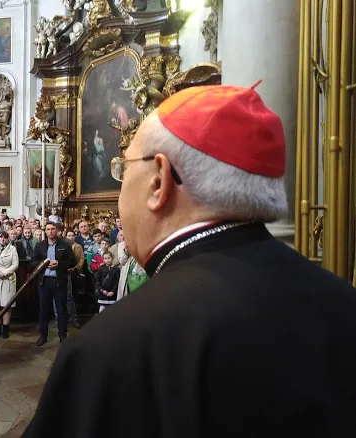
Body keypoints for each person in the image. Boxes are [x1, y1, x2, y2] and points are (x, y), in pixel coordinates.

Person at [24, 84, 356, 437]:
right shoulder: (345, 305)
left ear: (159, 182)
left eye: (123, 169)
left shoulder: (107, 351)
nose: (120, 187)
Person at [32, 223, 75, 346]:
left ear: (57, 231)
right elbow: (32, 262)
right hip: (44, 281)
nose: (50, 231)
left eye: (53, 229)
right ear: (45, 231)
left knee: (61, 309)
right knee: (44, 309)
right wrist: (44, 263)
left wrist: (59, 264)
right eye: (48, 229)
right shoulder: (40, 245)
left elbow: (72, 261)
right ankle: (43, 335)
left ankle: (62, 335)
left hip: (59, 281)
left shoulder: (65, 245)